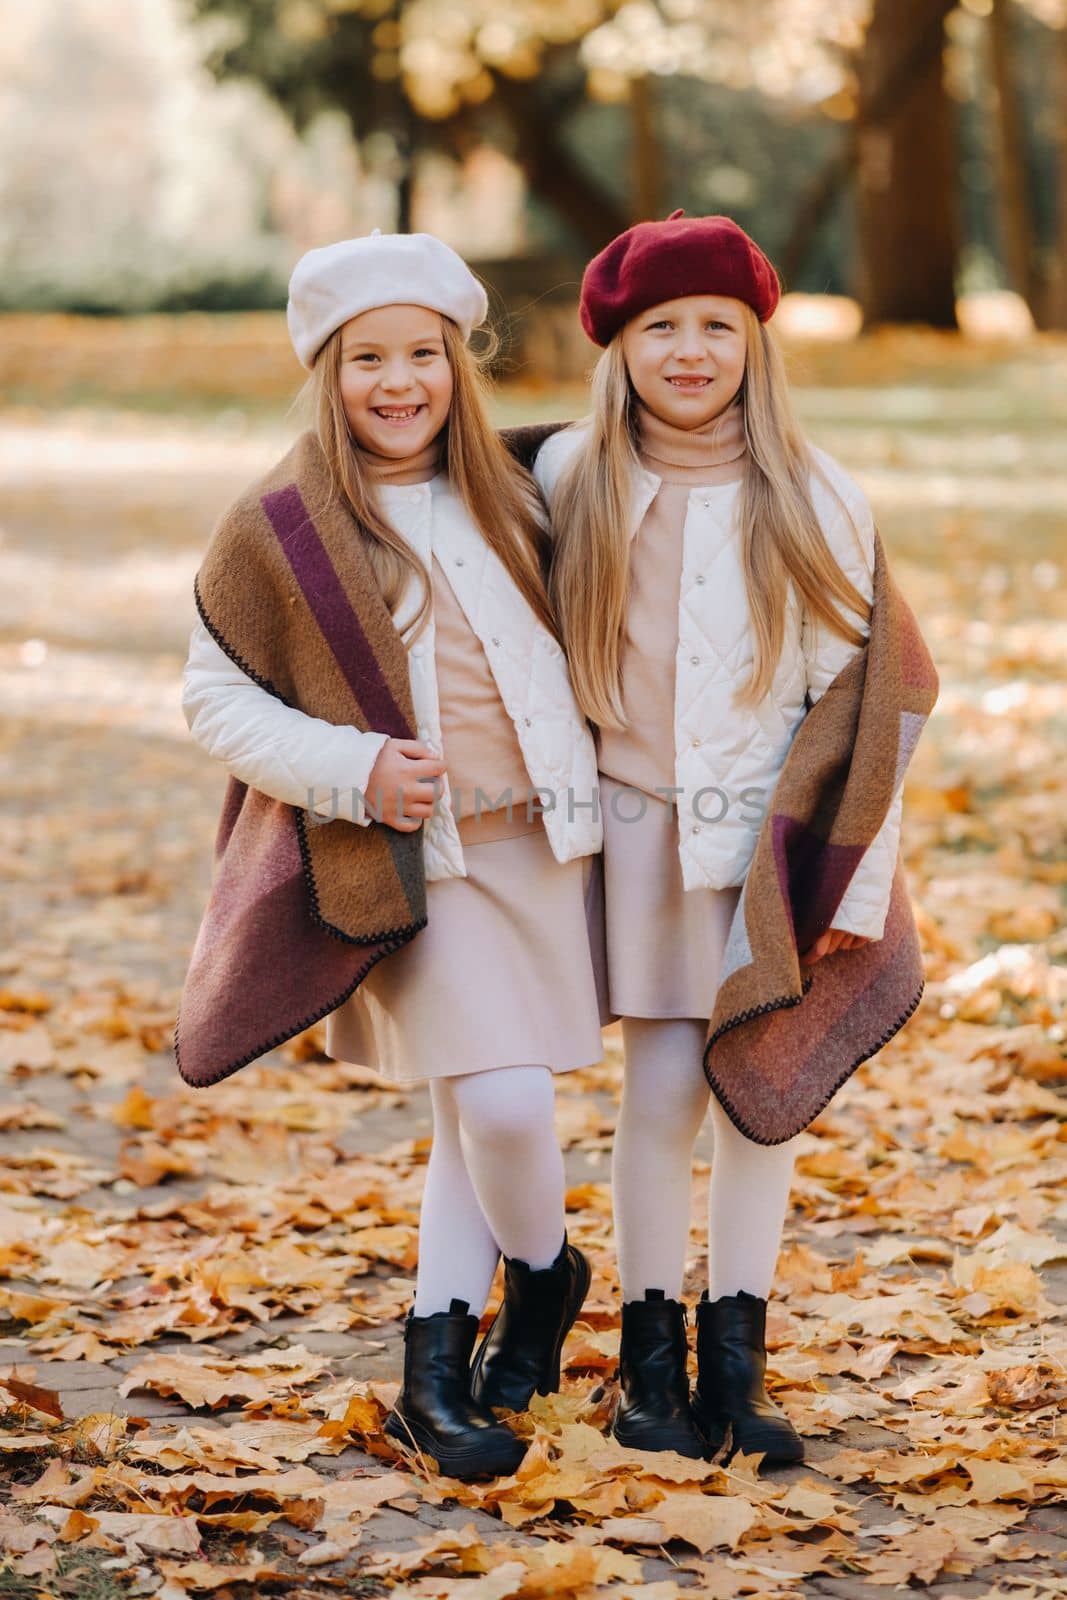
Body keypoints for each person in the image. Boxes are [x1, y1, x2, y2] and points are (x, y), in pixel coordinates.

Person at [178, 231, 607, 1480]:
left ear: (459, 363)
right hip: (420, 859)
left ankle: (435, 1369)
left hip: (543, 847)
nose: (398, 380)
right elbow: (217, 702)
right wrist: (352, 768)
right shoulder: (279, 529)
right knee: (503, 1099)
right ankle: (542, 1280)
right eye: (368, 358)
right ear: (328, 371)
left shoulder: (517, 490)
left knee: (469, 1112)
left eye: (424, 352)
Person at [531, 212, 911, 1466]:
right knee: (654, 1098)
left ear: (754, 343)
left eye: (715, 328)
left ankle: (736, 1360)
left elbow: (856, 706)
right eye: (660, 329)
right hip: (633, 844)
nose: (688, 352)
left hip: (763, 850)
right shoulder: (569, 481)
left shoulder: (810, 494)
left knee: (762, 1101)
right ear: (617, 343)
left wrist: (836, 884)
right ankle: (648, 1360)